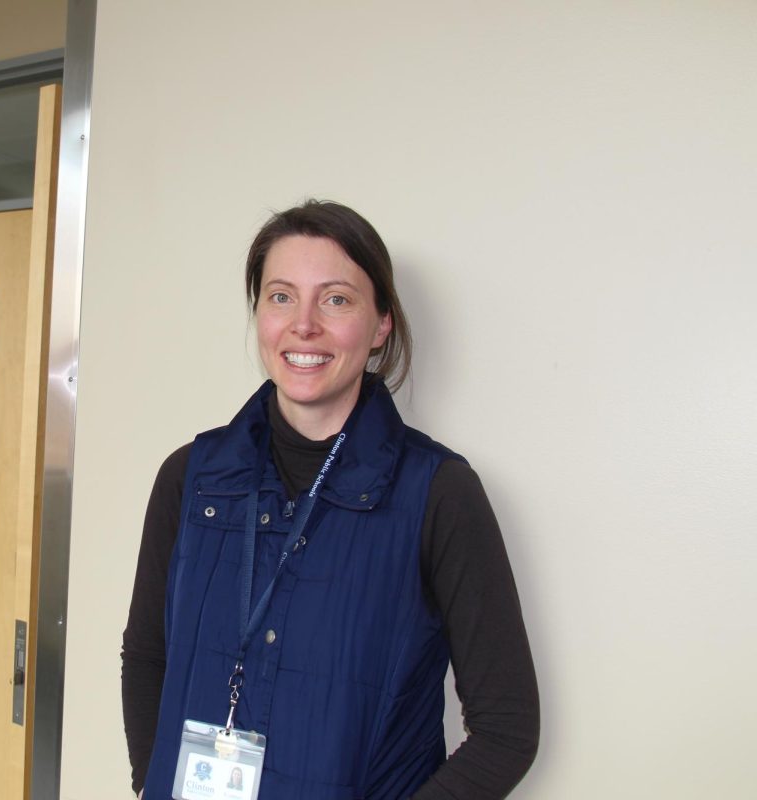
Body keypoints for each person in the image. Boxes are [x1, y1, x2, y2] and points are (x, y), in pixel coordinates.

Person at [121, 200, 539, 799]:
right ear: (259, 313)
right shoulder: (190, 478)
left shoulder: (439, 493)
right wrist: (152, 784)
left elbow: (508, 729)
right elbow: (146, 657)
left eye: (337, 299)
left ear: (380, 324)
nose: (304, 324)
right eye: (281, 296)